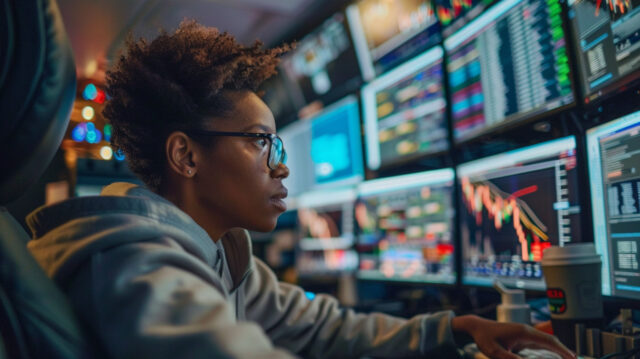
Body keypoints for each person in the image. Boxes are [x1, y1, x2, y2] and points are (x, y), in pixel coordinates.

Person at [26, 21, 575, 359]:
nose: (282, 168)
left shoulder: (221, 253)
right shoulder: (134, 262)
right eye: (263, 143)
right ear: (186, 156)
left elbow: (319, 325)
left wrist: (455, 327)